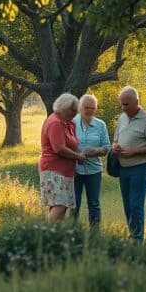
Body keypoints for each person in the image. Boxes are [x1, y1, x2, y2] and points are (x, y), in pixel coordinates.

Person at [112, 86, 146, 242]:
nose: (123, 107)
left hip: (139, 168)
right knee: (127, 205)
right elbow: (115, 139)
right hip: (123, 168)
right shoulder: (122, 118)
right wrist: (114, 146)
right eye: (121, 104)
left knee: (135, 205)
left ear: (136, 102)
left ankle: (138, 239)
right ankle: (132, 235)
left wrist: (135, 151)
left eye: (126, 104)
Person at [39, 93, 87, 222]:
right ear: (63, 107)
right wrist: (78, 156)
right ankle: (45, 233)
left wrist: (80, 154)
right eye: (72, 111)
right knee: (61, 204)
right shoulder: (55, 122)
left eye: (76, 111)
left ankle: (56, 236)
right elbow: (59, 148)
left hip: (66, 171)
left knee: (60, 205)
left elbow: (73, 143)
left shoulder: (69, 123)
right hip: (53, 170)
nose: (75, 114)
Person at [73, 94, 110, 227]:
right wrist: (78, 154)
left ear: (96, 109)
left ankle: (95, 235)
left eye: (92, 108)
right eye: (86, 107)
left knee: (94, 203)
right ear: (80, 108)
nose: (89, 110)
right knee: (74, 203)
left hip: (94, 170)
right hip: (74, 170)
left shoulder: (101, 125)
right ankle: (72, 233)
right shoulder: (71, 123)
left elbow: (106, 148)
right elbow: (65, 144)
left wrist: (94, 151)